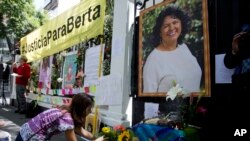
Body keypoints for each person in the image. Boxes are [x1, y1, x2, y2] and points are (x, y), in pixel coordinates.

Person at [143, 6, 202, 93]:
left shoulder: (183, 47)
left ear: (181, 24)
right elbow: (148, 100)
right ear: (159, 32)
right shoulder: (153, 61)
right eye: (166, 26)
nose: (171, 28)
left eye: (175, 22)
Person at [15, 93, 105, 141]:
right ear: (81, 108)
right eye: (89, 109)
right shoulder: (67, 118)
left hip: (24, 131)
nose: (90, 111)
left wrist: (96, 138)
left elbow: (81, 131)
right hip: (30, 137)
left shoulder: (65, 109)